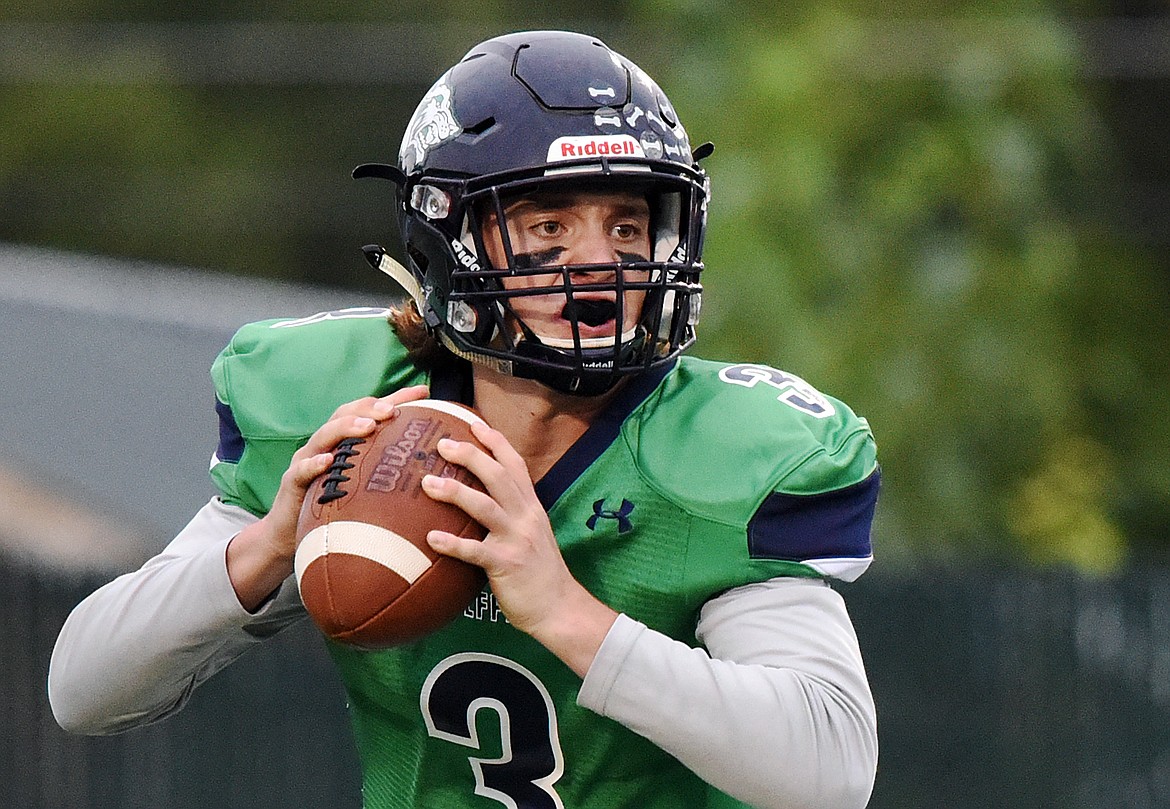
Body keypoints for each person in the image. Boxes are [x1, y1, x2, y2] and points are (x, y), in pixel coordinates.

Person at [48, 30, 880, 809]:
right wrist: (266, 545)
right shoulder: (348, 418)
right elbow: (80, 689)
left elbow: (829, 770)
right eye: (549, 226)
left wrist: (564, 611)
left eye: (627, 225)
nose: (599, 264)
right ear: (449, 242)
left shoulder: (720, 453)